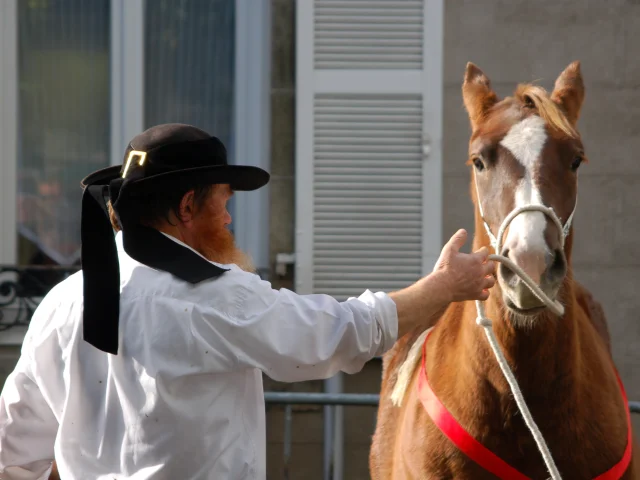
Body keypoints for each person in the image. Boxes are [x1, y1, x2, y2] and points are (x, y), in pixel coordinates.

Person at [0, 124, 495, 479]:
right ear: (187, 206)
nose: (230, 220)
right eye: (224, 202)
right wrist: (446, 286)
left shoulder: (61, 302)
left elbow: (12, 448)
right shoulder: (212, 296)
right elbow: (343, 332)